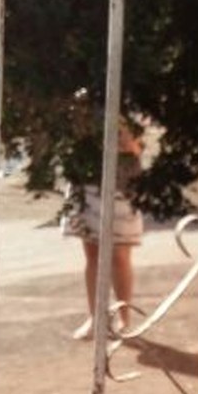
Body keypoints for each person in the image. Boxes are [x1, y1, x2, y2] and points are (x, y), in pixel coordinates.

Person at [62, 117, 144, 340]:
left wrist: (122, 130)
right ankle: (96, 318)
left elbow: (135, 148)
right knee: (92, 253)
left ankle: (124, 319)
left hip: (121, 184)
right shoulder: (80, 102)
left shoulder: (130, 106)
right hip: (85, 182)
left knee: (119, 255)